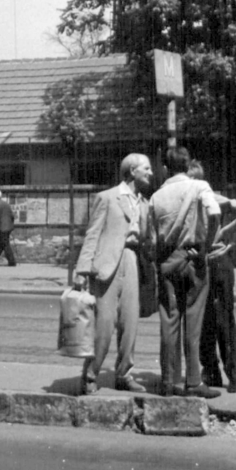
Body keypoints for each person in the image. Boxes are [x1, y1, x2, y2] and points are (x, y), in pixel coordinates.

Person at [73, 153, 154, 395]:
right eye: (146, 169)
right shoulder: (107, 198)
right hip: (107, 265)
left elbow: (148, 238)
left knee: (130, 323)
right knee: (104, 325)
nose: (151, 173)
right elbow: (93, 234)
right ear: (132, 172)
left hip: (132, 262)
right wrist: (82, 269)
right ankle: (90, 374)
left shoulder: (145, 204)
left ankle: (124, 374)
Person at [149, 146, 221, 398]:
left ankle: (168, 382)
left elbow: (150, 237)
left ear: (165, 168)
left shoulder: (156, 197)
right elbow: (215, 213)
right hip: (194, 258)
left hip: (168, 261)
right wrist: (206, 246)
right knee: (194, 322)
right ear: (188, 164)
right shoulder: (199, 186)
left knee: (169, 320)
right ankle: (193, 381)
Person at [190, 160, 236, 394]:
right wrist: (228, 230)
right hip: (218, 261)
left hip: (210, 262)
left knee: (209, 321)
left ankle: (218, 372)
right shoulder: (211, 198)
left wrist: (224, 231)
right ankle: (227, 374)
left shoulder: (203, 198)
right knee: (221, 320)